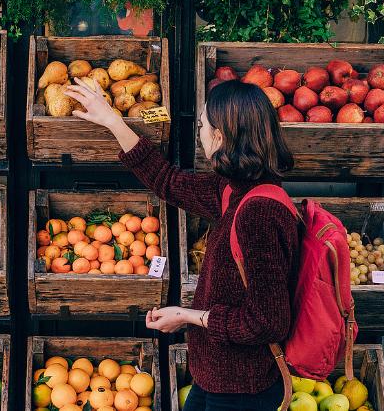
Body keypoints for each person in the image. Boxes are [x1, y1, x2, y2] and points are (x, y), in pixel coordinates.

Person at [64, 78, 299, 410]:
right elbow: (168, 181)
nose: (199, 132)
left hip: (241, 391)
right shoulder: (234, 189)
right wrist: (113, 121)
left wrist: (187, 316)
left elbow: (267, 322)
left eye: (202, 125)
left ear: (219, 136)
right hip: (215, 377)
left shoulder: (259, 213)